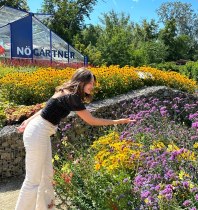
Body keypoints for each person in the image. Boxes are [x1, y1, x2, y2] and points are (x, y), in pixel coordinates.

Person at [15, 67, 135, 210]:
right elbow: (91, 120)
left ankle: (44, 207)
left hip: (40, 131)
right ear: (82, 81)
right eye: (91, 83)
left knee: (46, 176)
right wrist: (117, 122)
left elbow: (44, 109)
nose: (93, 87)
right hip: (37, 132)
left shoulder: (66, 92)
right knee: (33, 180)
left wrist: (28, 120)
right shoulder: (71, 96)